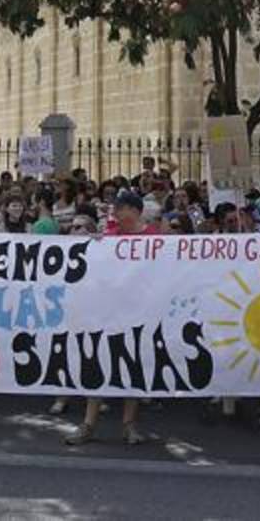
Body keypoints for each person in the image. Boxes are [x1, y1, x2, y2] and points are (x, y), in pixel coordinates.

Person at [65, 191, 155, 446]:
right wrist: (95, 244)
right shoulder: (111, 236)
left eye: (120, 210)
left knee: (133, 367)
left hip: (139, 312)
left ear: (135, 211)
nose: (116, 215)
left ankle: (129, 425)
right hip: (107, 312)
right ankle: (88, 425)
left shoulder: (155, 237)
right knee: (99, 363)